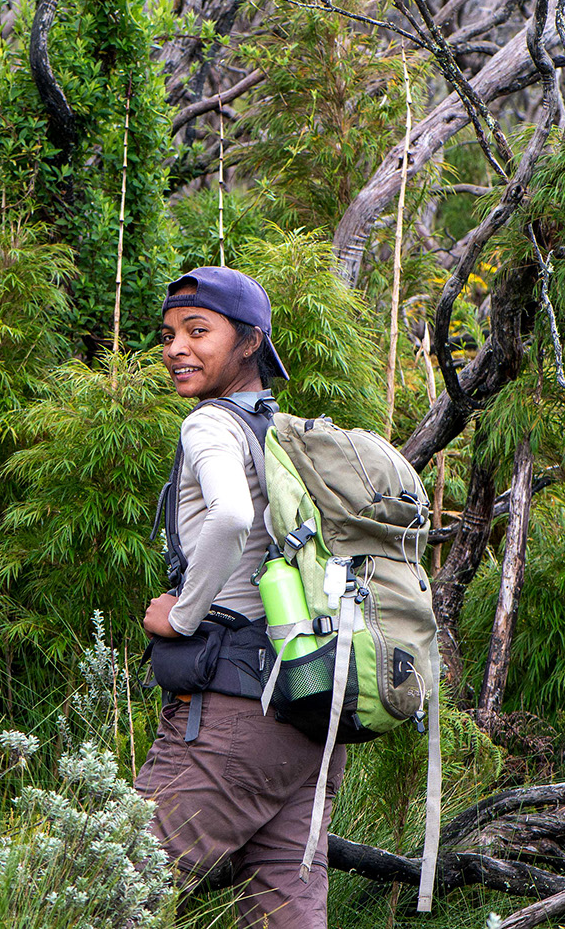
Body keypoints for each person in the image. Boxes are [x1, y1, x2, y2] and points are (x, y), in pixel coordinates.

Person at [135, 266, 346, 929]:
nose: (177, 348)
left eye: (199, 331)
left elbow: (228, 517)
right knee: (286, 916)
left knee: (102, 887)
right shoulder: (287, 436)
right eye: (169, 334)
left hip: (229, 721)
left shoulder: (210, 426)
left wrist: (184, 614)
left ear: (250, 342)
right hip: (311, 718)